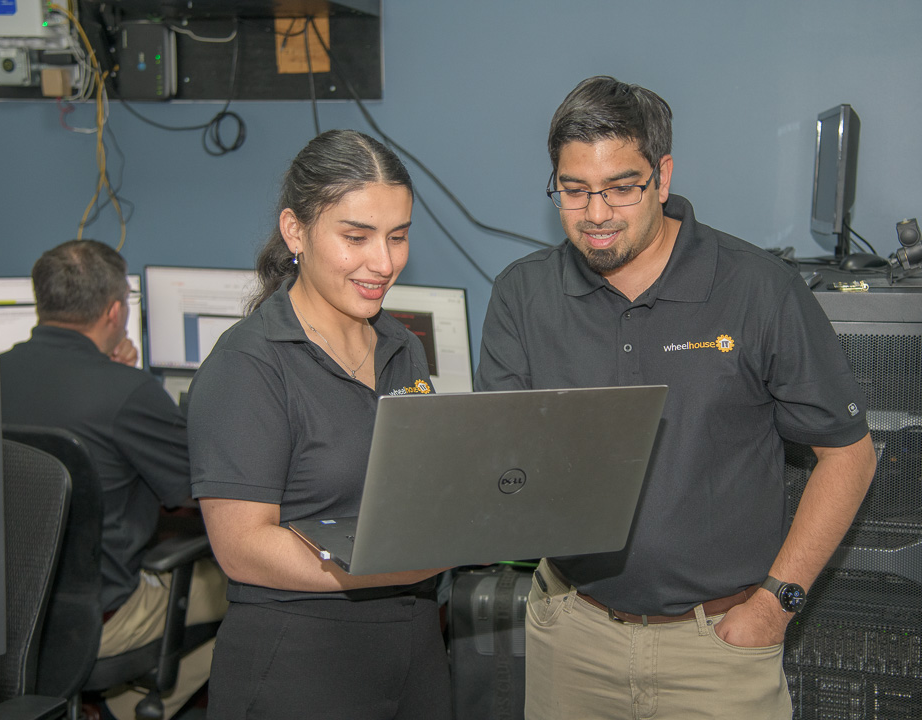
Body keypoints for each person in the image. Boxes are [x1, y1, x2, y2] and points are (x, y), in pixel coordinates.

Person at [475, 76, 878, 718]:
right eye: (574, 191)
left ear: (662, 176)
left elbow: (849, 455)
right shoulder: (522, 297)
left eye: (620, 188)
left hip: (718, 647)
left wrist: (777, 605)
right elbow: (502, 459)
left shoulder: (759, 290)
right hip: (572, 637)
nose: (597, 213)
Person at [188, 129, 453, 720]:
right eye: (356, 237)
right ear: (296, 231)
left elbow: (415, 494)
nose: (383, 263)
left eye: (398, 236)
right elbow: (242, 549)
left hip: (413, 648)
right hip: (299, 661)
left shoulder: (401, 347)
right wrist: (388, 565)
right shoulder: (249, 365)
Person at [0, 239, 227, 720]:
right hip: (97, 616)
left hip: (5, 612)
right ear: (116, 311)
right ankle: (131, 706)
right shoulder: (129, 393)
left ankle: (107, 704)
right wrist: (129, 385)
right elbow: (198, 490)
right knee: (253, 591)